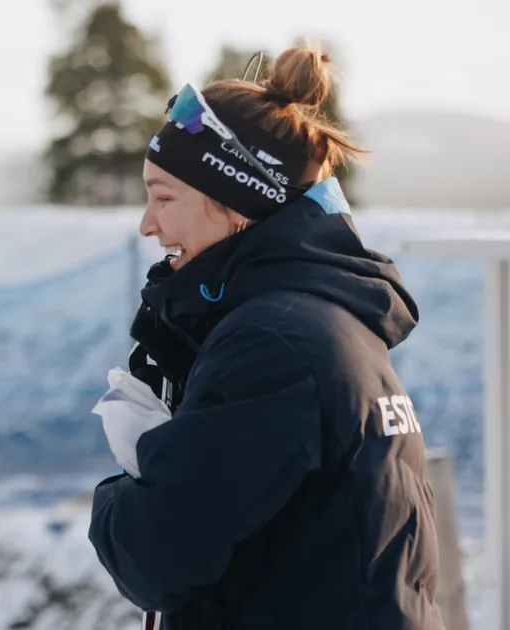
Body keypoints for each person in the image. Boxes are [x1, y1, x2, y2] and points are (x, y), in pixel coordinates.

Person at [86, 43, 443, 629]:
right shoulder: (328, 323)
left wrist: (130, 478)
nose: (148, 224)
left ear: (237, 206)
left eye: (164, 197)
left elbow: (156, 556)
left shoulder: (274, 346)